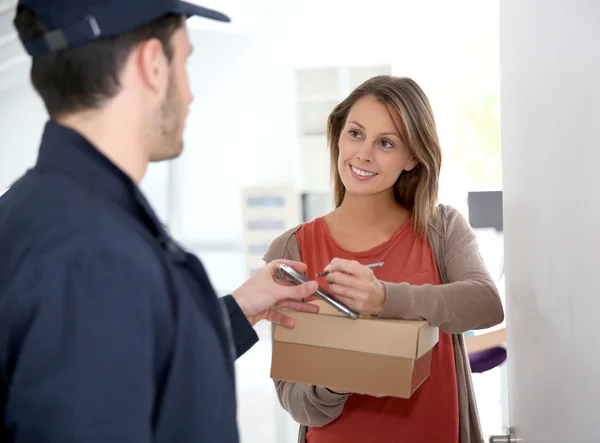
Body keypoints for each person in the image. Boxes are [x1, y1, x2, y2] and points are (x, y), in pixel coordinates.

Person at [0, 1, 319, 443]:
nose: (190, 93)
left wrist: (237, 309)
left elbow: (133, 365)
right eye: (185, 62)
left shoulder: (35, 210)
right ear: (153, 64)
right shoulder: (95, 257)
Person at [264, 76, 505, 443]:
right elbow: (295, 402)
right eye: (356, 133)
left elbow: (486, 305)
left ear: (411, 158)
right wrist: (339, 377)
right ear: (338, 136)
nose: (363, 154)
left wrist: (385, 299)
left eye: (386, 143)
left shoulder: (440, 229)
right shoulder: (290, 251)